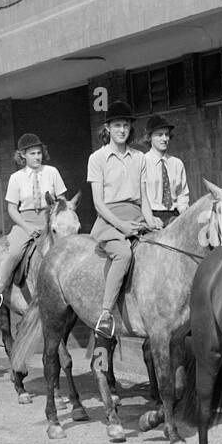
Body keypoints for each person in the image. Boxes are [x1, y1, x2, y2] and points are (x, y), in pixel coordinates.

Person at [0, 133, 68, 310]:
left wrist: (56, 218)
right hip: (25, 222)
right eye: (32, 154)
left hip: (49, 221)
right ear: (22, 155)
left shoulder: (52, 172)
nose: (37, 157)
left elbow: (62, 200)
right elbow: (12, 209)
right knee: (14, 253)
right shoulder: (16, 177)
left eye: (39, 153)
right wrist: (27, 227)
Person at [86, 101, 148, 338]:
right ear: (108, 128)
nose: (122, 130)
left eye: (126, 125)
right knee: (124, 253)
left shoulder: (139, 157)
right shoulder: (97, 158)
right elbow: (98, 203)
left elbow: (145, 198)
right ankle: (105, 314)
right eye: (117, 125)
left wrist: (151, 221)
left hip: (136, 215)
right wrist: (122, 226)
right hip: (109, 220)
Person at [139, 114, 189, 229]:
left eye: (167, 134)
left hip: (174, 216)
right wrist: (149, 217)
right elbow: (138, 197)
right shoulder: (142, 162)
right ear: (149, 137)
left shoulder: (177, 163)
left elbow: (182, 195)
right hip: (151, 216)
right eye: (159, 135)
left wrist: (183, 215)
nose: (165, 138)